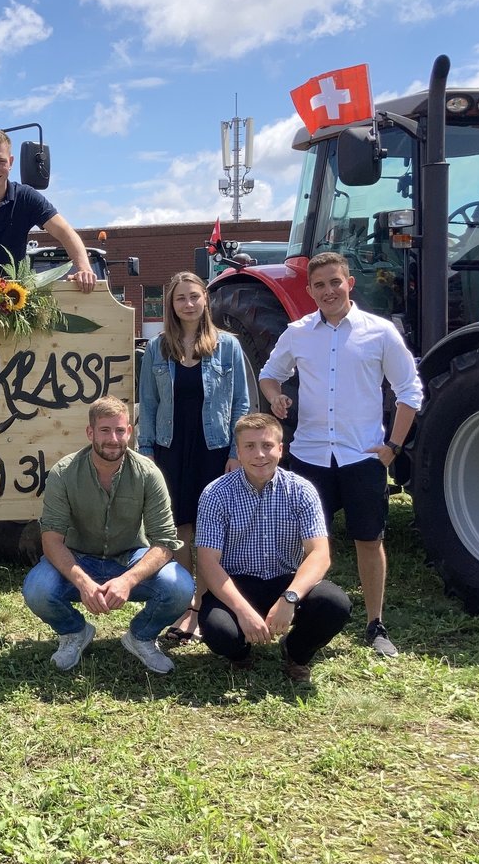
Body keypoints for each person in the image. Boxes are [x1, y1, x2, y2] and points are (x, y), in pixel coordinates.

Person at [259, 251, 423, 658]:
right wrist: (276, 397)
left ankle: (375, 624)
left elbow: (410, 391)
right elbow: (268, 374)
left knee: (369, 540)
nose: (328, 291)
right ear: (310, 290)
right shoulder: (297, 332)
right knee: (301, 542)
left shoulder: (379, 332)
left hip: (362, 457)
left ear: (350, 283)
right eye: (319, 285)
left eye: (335, 282)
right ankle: (292, 614)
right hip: (311, 456)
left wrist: (393, 447)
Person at [22, 396, 195, 675]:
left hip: (129, 556)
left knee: (181, 587)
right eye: (104, 430)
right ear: (90, 433)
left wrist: (127, 580)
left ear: (129, 431)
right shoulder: (64, 473)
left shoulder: (148, 474)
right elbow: (51, 539)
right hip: (78, 556)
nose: (113, 439)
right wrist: (83, 583)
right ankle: (74, 632)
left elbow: (164, 542)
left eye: (120, 430)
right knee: (37, 589)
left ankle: (141, 636)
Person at [137, 271, 251, 646]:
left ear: (206, 300)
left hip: (214, 447)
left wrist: (237, 452)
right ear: (171, 305)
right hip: (171, 447)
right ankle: (186, 606)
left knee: (212, 529)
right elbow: (149, 405)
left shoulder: (228, 346)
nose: (188, 303)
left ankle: (209, 605)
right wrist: (147, 453)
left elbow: (241, 404)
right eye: (180, 298)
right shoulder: (158, 348)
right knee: (180, 528)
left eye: (194, 296)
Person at [195, 413, 352, 680]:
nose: (259, 454)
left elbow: (320, 553)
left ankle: (296, 651)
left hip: (285, 581)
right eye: (249, 446)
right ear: (239, 451)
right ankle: (240, 651)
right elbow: (208, 563)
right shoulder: (215, 493)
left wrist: (290, 598)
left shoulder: (302, 490)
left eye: (267, 445)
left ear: (281, 449)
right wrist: (243, 612)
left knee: (335, 604)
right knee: (218, 632)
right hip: (236, 583)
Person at [0, 129, 98, 293]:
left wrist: (84, 268)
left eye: (1, 161)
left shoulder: (26, 197)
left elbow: (64, 231)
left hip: (16, 297)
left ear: (11, 161)